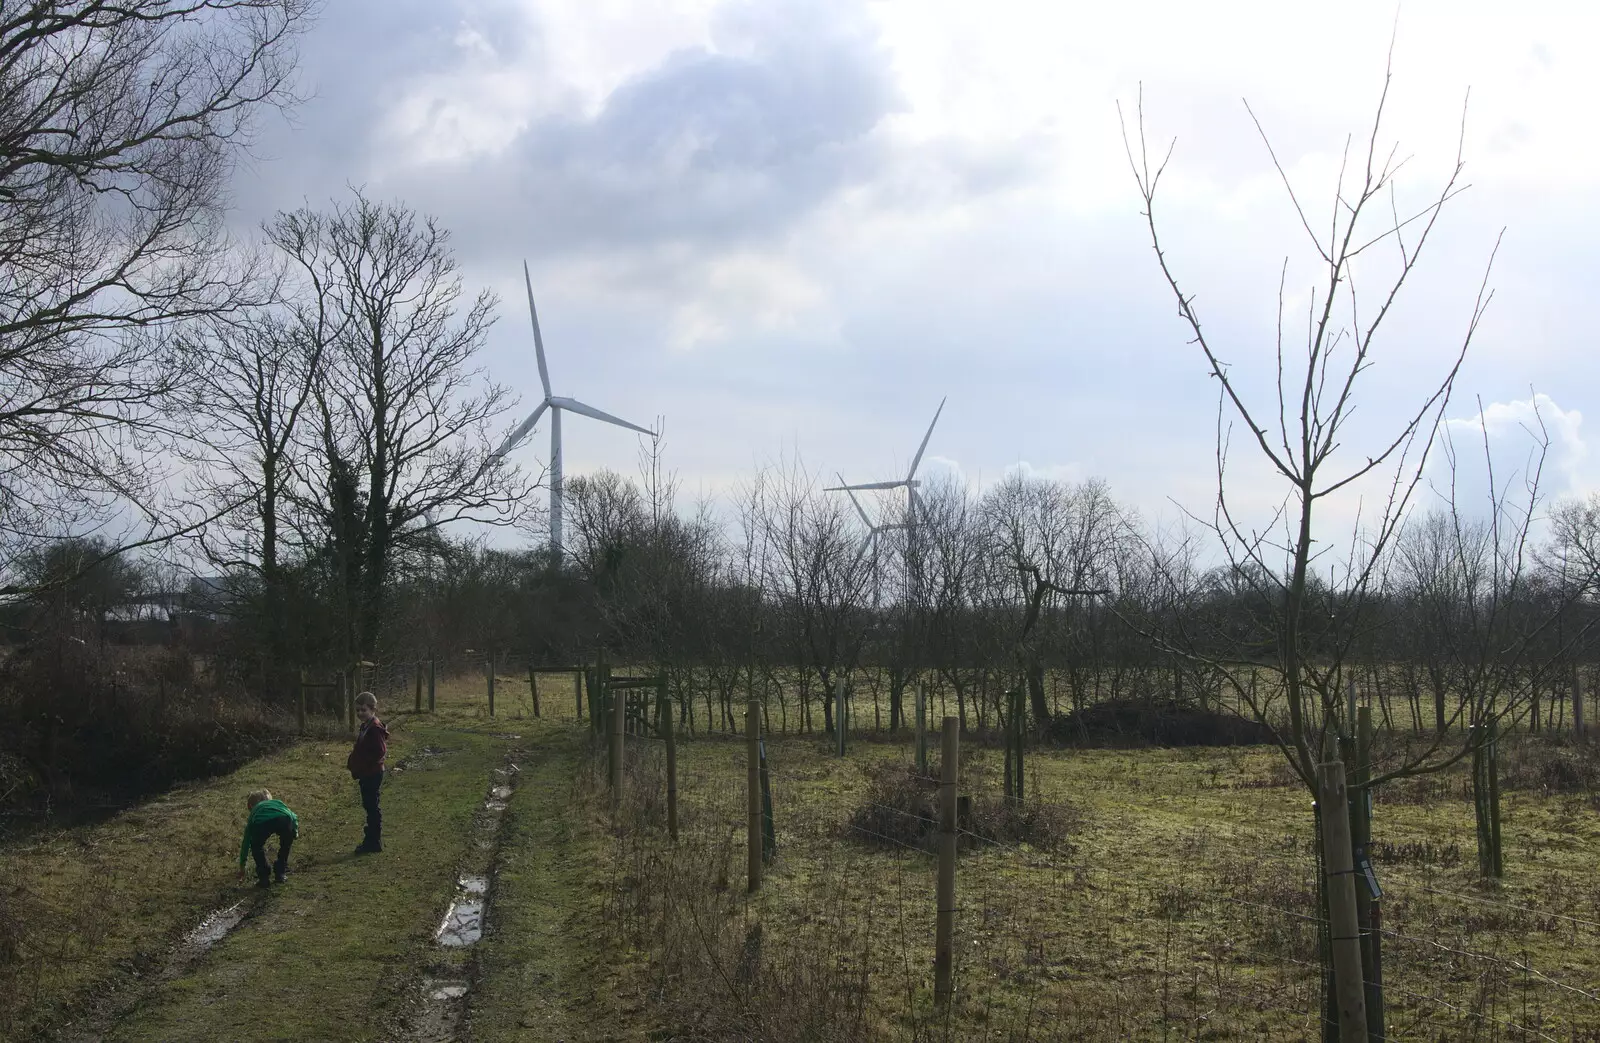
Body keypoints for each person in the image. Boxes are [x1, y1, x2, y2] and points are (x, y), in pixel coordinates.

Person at [347, 691, 389, 854]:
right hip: (366, 773)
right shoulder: (365, 726)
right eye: (357, 710)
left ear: (372, 709)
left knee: (372, 806)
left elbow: (380, 751)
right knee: (368, 805)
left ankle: (374, 841)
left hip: (372, 773)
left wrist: (365, 764)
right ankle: (371, 838)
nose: (360, 713)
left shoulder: (374, 729)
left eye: (363, 710)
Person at [237, 789, 299, 888]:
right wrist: (294, 833)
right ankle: (280, 873)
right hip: (284, 819)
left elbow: (246, 841)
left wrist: (242, 865)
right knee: (285, 845)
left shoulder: (255, 810)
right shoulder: (278, 802)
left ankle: (264, 878)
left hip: (262, 823)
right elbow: (294, 817)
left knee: (256, 846)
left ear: (251, 806)